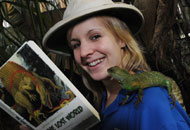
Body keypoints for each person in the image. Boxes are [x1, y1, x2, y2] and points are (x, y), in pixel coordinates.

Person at [21, 0, 190, 130]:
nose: (84, 51)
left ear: (121, 39)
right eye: (76, 45)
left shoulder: (152, 101)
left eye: (95, 36)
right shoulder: (103, 98)